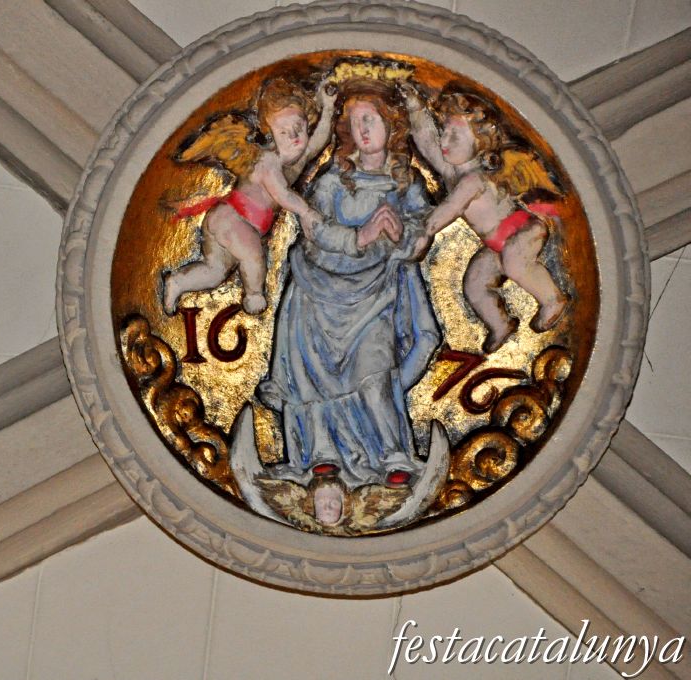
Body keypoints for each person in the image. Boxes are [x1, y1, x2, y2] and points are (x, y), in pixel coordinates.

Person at [257, 79, 441, 487]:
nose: (363, 129)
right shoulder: (331, 183)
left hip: (374, 297)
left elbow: (421, 231)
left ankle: (392, 454)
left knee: (374, 370)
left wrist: (400, 234)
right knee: (314, 375)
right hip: (319, 291)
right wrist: (359, 237)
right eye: (355, 121)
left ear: (392, 126)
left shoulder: (405, 185)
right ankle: (322, 454)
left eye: (371, 119)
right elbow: (315, 231)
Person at [404, 87, 569, 353]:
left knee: (515, 263)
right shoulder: (452, 171)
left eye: (454, 135)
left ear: (480, 143)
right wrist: (415, 109)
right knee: (475, 284)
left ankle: (552, 299)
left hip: (522, 231)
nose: (444, 140)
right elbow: (428, 144)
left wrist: (425, 231)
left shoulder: (474, 180)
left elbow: (451, 207)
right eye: (445, 132)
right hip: (495, 244)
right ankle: (500, 324)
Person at [163, 77, 336, 315]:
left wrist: (328, 108)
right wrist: (306, 212)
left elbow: (319, 140)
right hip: (233, 219)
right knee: (254, 255)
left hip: (235, 224)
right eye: (284, 132)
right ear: (270, 134)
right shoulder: (267, 162)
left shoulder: (297, 160)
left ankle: (178, 282)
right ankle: (254, 296)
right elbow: (283, 194)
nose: (294, 136)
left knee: (215, 272)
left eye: (299, 127)